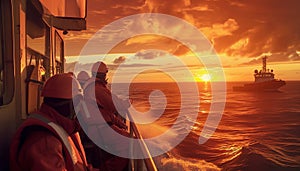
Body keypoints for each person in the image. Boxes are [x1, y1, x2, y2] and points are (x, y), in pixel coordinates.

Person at [10, 73, 98, 171]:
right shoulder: (44, 141)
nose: (79, 109)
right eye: (77, 103)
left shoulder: (60, 126)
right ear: (66, 105)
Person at [82, 61, 130, 171]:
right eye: (105, 74)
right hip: (99, 129)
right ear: (103, 74)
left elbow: (104, 111)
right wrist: (127, 103)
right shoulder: (97, 89)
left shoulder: (94, 88)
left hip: (100, 127)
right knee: (129, 144)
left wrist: (119, 123)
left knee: (129, 139)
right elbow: (115, 105)